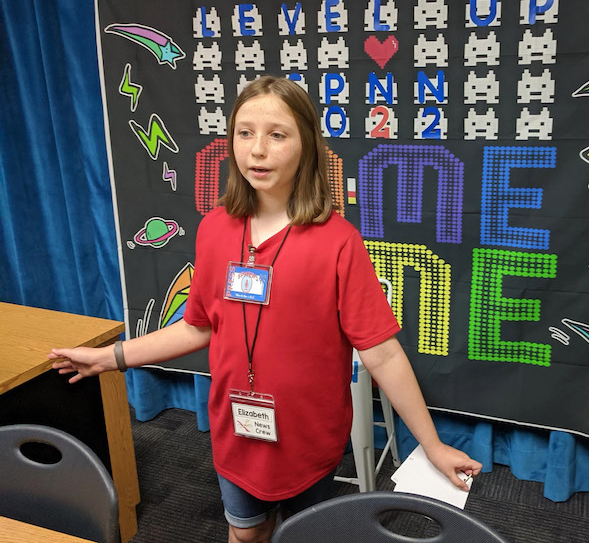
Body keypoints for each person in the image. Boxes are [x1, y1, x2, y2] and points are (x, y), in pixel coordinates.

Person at [50, 76, 482, 543]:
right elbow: (196, 327)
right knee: (246, 534)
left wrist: (432, 444)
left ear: (307, 144)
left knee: (304, 535)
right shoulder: (215, 228)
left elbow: (383, 353)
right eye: (245, 132)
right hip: (236, 434)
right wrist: (110, 357)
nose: (257, 150)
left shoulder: (338, 242)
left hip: (309, 442)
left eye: (277, 134)